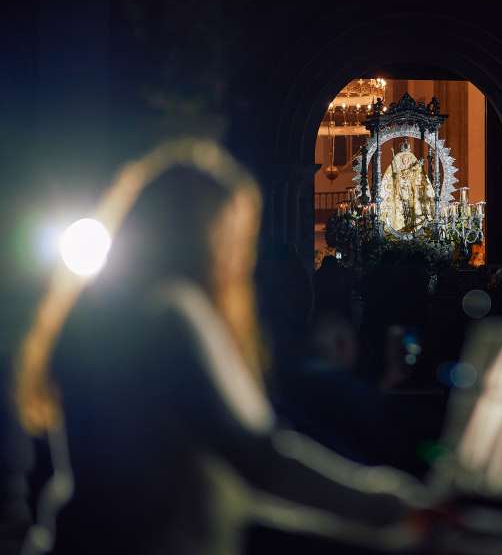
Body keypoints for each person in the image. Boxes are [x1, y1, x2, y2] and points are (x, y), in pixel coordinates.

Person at [15, 139, 429, 555]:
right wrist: (389, 507)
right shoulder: (170, 314)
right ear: (211, 234)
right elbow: (257, 460)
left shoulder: (94, 313)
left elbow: (222, 486)